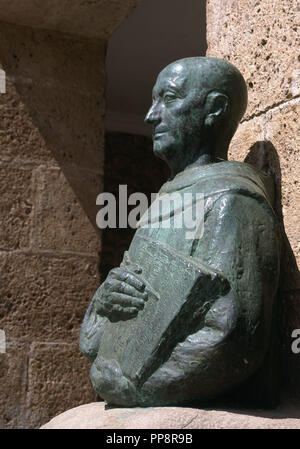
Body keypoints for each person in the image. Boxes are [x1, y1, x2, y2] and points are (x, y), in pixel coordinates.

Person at [79, 57, 281, 406]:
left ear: (214, 109)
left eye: (169, 99)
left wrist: (134, 386)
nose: (151, 115)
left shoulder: (232, 201)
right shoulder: (168, 197)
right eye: (154, 100)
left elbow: (234, 337)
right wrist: (105, 301)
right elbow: (96, 340)